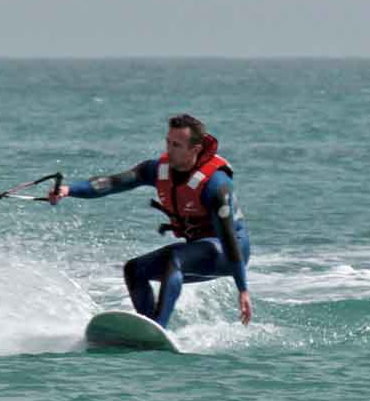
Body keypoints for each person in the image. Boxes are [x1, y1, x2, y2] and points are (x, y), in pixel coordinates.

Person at [48, 114, 252, 328]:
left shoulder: (215, 184)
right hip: (199, 248)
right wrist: (68, 190)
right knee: (135, 269)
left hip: (230, 252)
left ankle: (159, 326)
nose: (169, 149)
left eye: (177, 145)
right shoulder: (158, 170)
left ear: (195, 149)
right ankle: (150, 329)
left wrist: (243, 289)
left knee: (174, 259)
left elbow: (228, 237)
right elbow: (111, 183)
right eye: (168, 142)